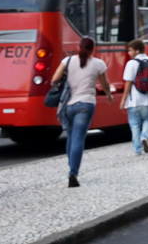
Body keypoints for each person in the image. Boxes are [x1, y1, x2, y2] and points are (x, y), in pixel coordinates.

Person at [52, 36, 112, 187]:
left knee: (71, 137)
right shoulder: (99, 64)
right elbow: (105, 84)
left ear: (79, 47)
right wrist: (109, 95)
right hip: (86, 104)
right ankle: (73, 173)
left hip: (68, 105)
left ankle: (71, 166)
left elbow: (54, 79)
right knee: (79, 138)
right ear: (93, 49)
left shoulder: (68, 61)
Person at [119, 38, 148, 156]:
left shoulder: (131, 63)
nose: (128, 53)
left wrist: (123, 100)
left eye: (130, 50)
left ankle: (138, 150)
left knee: (134, 125)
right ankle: (145, 136)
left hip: (134, 101)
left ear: (137, 51)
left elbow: (128, 83)